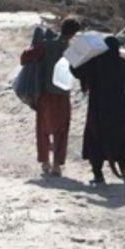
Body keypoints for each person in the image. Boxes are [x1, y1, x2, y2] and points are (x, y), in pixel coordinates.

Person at [71, 36, 125, 186]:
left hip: (98, 110)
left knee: (96, 140)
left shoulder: (95, 63)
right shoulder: (122, 63)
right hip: (119, 110)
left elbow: (76, 71)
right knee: (119, 140)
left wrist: (75, 56)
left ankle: (98, 175)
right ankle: (124, 170)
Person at [20, 18, 81, 176]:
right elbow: (78, 71)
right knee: (62, 130)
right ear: (74, 34)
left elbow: (24, 58)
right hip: (62, 95)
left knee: (43, 130)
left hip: (45, 94)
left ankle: (45, 162)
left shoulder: (46, 45)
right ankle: (57, 165)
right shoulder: (73, 50)